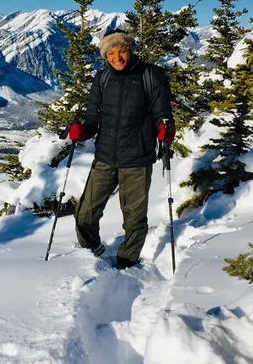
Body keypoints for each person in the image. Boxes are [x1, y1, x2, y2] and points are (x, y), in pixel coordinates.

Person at [68, 28, 175, 269]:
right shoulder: (102, 78)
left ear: (130, 50)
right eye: (111, 52)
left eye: (122, 50)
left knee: (134, 218)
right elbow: (92, 119)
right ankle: (89, 254)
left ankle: (126, 263)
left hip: (137, 158)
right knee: (85, 213)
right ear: (105, 55)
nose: (117, 57)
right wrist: (82, 131)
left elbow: (162, 113)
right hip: (105, 156)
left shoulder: (150, 75)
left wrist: (165, 128)